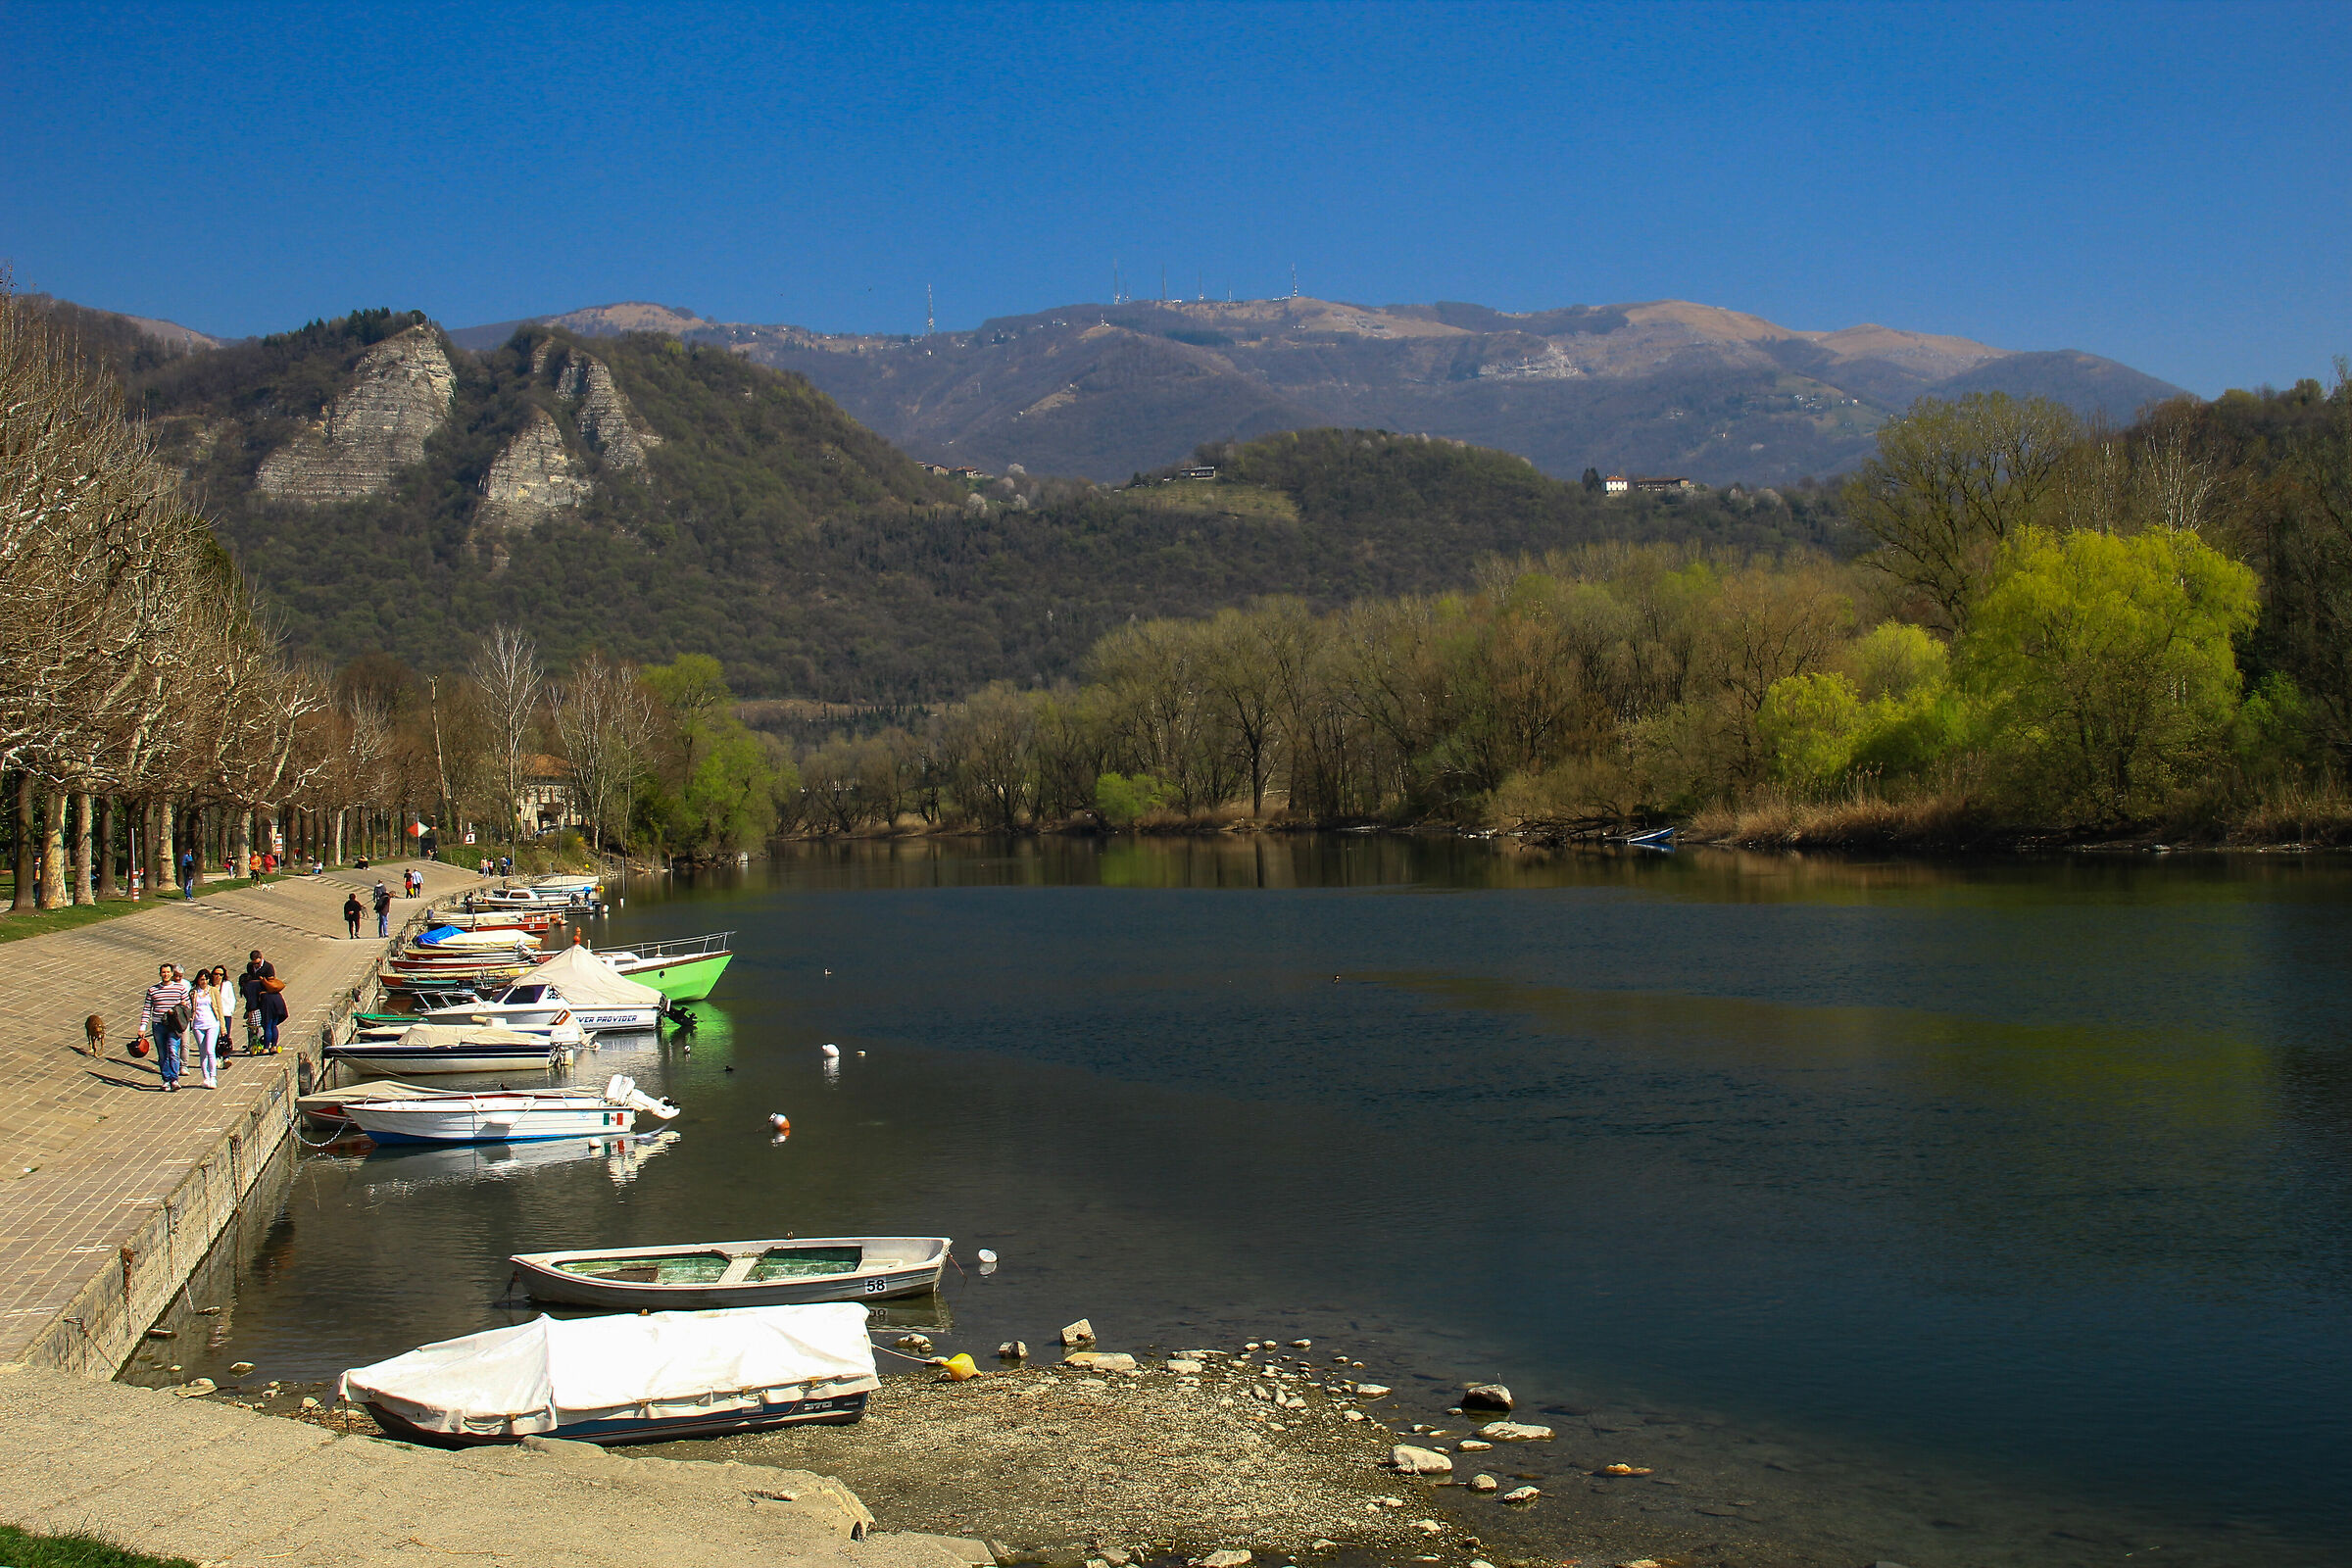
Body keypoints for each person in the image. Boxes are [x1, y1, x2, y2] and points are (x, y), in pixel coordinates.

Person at [140, 962, 191, 1092]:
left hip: (174, 1025)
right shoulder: (153, 990)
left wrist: (182, 1006)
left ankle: (174, 1079)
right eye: (163, 972)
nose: (166, 974)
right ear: (160, 974)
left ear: (171, 973)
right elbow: (147, 1010)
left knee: (173, 1051)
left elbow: (188, 1006)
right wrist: (142, 1027)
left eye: (168, 972)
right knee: (162, 1053)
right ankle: (166, 1079)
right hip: (158, 1025)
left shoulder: (180, 988)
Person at [189, 966, 223, 1090]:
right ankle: (206, 1077)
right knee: (202, 1052)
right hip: (198, 1025)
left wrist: (223, 1027)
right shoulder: (193, 993)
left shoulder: (213, 991)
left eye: (205, 979)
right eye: (201, 979)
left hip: (212, 1024)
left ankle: (213, 1077)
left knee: (210, 1050)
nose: (203, 982)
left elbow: (219, 1008)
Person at [240, 952, 279, 1054]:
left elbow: (271, 983)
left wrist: (262, 982)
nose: (255, 966)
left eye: (257, 963)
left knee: (269, 1024)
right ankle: (255, 1045)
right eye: (253, 964)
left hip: (266, 998)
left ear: (261, 959)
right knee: (255, 1025)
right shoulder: (250, 967)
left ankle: (271, 1046)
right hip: (255, 997)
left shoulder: (268, 967)